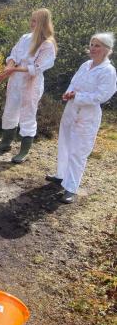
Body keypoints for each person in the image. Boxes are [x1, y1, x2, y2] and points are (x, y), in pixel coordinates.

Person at [46, 32, 116, 204]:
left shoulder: (108, 71)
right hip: (71, 110)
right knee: (64, 143)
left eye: (97, 45)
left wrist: (77, 96)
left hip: (88, 115)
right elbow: (73, 82)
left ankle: (71, 187)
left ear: (107, 50)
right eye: (92, 44)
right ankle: (61, 175)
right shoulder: (86, 64)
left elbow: (102, 95)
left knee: (79, 151)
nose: (93, 48)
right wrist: (68, 93)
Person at [0, 8, 57, 163]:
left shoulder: (48, 44)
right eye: (31, 20)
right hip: (15, 80)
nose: (31, 23)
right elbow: (14, 54)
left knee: (27, 115)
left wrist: (13, 69)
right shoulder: (25, 37)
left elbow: (37, 68)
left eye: (35, 21)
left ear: (43, 24)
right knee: (9, 110)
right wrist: (9, 67)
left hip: (31, 83)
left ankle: (23, 150)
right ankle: (5, 143)